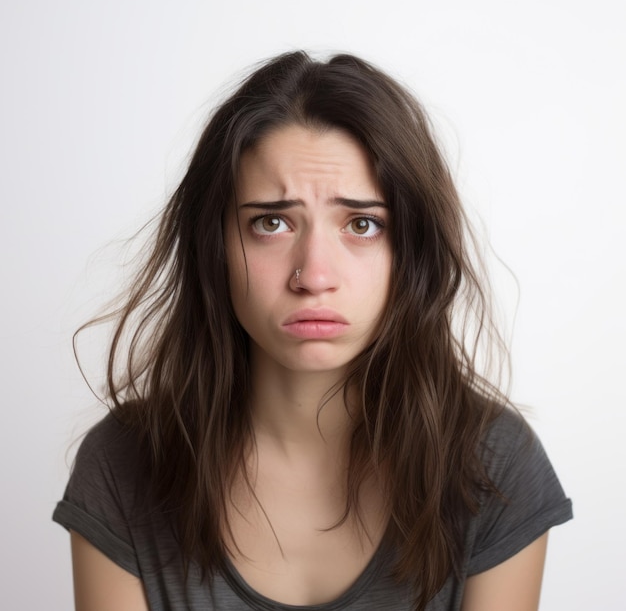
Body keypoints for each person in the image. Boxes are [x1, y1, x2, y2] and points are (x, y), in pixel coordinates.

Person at [53, 51, 572, 611]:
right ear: (215, 249)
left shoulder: (493, 467)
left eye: (363, 224)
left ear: (412, 253)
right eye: (271, 223)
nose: (314, 276)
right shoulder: (124, 462)